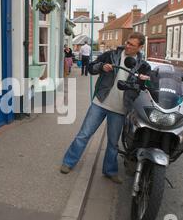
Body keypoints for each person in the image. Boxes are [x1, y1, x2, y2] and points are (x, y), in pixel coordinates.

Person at [60, 32, 150, 184]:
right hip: (100, 102)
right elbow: (90, 68)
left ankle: (110, 171)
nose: (127, 46)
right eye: (127, 42)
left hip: (121, 109)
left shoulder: (144, 66)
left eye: (132, 45)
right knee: (84, 134)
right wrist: (102, 67)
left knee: (113, 143)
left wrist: (144, 81)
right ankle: (68, 162)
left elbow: (145, 88)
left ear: (140, 47)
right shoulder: (111, 55)